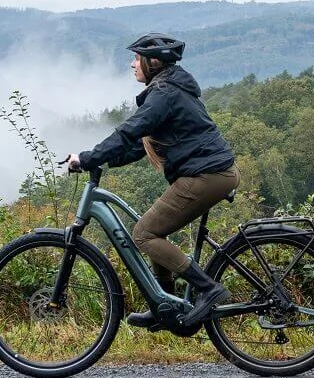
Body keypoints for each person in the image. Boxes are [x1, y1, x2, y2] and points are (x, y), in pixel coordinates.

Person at [67, 33, 240, 328]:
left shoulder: (164, 93)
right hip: (209, 173)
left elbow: (129, 131)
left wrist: (87, 157)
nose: (132, 64)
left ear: (154, 61)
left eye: (136, 58)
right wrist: (102, 160)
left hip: (208, 175)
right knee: (155, 230)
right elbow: (137, 146)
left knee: (144, 233)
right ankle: (167, 305)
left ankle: (210, 289)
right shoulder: (169, 88)